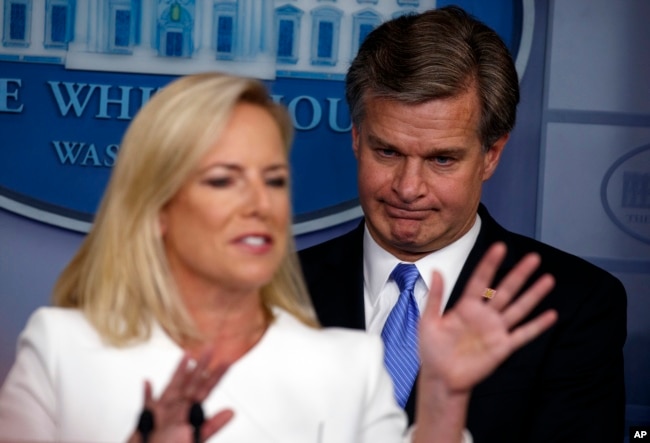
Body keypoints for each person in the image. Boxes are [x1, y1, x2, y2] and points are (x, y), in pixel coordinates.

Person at [0, 72, 557, 443]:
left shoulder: (350, 364)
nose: (259, 204)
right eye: (223, 180)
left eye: (273, 179)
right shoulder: (61, 348)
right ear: (156, 207)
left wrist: (440, 401)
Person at [299, 6, 627, 443]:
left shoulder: (572, 305)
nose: (409, 188)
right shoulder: (272, 291)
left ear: (491, 154)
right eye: (388, 152)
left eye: (442, 159)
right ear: (357, 139)